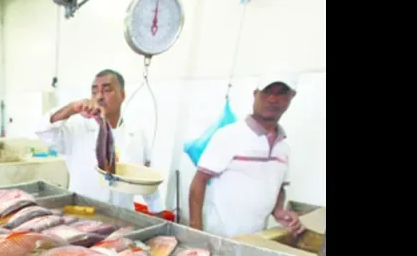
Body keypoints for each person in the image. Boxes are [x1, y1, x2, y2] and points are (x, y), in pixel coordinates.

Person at [188, 74, 306, 239]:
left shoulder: (283, 148)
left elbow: (278, 187)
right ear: (255, 95)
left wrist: (279, 210)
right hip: (219, 236)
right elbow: (198, 182)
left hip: (256, 238)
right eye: (267, 92)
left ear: (292, 97)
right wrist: (195, 232)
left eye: (281, 93)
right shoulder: (229, 135)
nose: (272, 99)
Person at [35, 69, 163, 213]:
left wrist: (157, 213)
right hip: (81, 216)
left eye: (107, 90)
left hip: (123, 218)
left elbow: (147, 179)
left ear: (122, 95)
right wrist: (72, 108)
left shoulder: (137, 135)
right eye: (94, 92)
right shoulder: (76, 129)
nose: (100, 97)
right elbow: (43, 130)